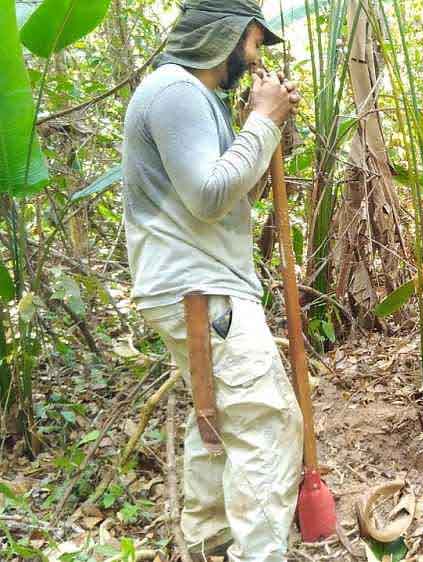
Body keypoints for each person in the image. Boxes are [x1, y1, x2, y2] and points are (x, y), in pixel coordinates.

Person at [122, 1, 303, 560]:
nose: (253, 58)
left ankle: (205, 542)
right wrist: (260, 121)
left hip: (195, 284)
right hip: (200, 284)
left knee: (218, 415)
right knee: (265, 421)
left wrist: (268, 130)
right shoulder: (177, 91)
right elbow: (208, 196)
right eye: (253, 43)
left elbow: (229, 189)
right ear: (230, 34)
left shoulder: (193, 98)